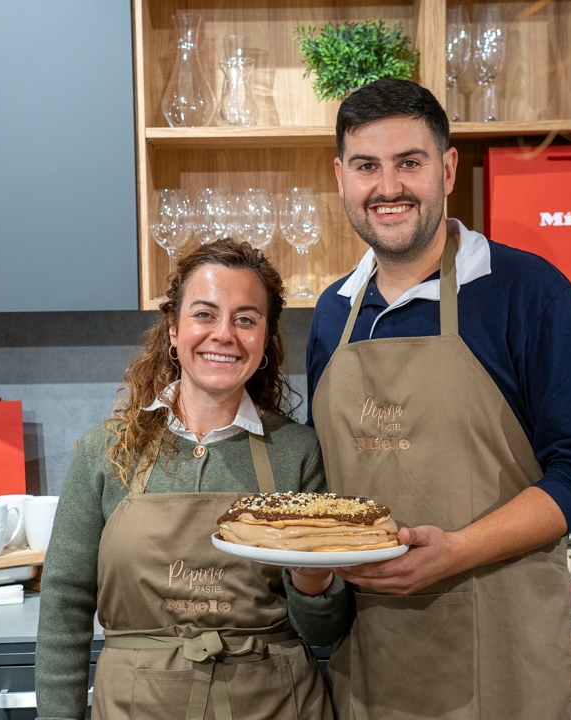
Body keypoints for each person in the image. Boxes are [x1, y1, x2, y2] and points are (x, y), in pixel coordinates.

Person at [295, 79, 571, 720]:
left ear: (447, 169)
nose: (387, 187)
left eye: (410, 163)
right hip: (370, 667)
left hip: (501, 666)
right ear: (341, 178)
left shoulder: (525, 292)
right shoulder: (332, 312)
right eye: (367, 166)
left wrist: (455, 551)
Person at [35, 238, 345, 720]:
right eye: (205, 314)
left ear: (265, 339)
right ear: (173, 330)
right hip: (136, 706)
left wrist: (313, 583)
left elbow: (324, 632)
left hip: (277, 703)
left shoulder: (296, 451)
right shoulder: (108, 450)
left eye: (245, 319)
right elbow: (65, 605)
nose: (224, 334)